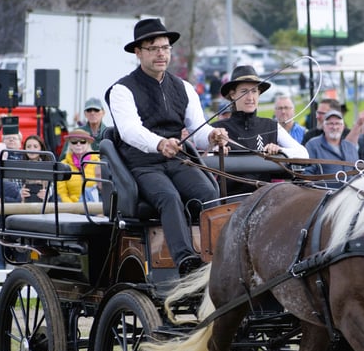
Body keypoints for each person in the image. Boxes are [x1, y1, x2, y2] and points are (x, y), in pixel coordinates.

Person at [105, 18, 228, 276]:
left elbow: (198, 129)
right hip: (141, 165)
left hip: (176, 160)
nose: (161, 53)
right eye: (153, 48)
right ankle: (185, 262)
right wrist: (159, 143)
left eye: (165, 47)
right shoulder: (122, 89)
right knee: (169, 198)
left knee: (209, 194)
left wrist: (214, 135)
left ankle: (221, 257)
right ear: (138, 52)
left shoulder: (183, 88)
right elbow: (129, 131)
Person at [214, 66, 308, 195]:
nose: (250, 97)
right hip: (227, 202)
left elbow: (303, 154)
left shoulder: (271, 126)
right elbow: (200, 157)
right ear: (232, 94)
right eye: (244, 91)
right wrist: (215, 152)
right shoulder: (217, 129)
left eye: (254, 91)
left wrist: (280, 151)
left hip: (262, 201)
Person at [303, 109, 362, 186]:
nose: (334, 127)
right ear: (323, 127)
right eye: (330, 124)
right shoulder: (313, 145)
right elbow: (307, 174)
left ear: (343, 127)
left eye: (338, 123)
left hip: (349, 194)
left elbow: (357, 174)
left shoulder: (351, 147)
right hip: (324, 195)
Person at [56, 129, 100, 203]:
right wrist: (73, 208)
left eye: (83, 141)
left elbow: (103, 189)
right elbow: (61, 193)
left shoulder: (98, 162)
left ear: (88, 144)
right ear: (70, 145)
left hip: (94, 208)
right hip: (71, 210)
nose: (78, 144)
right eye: (74, 142)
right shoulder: (63, 165)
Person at [19, 135, 53, 203]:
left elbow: (54, 186)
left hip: (45, 203)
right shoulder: (19, 166)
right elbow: (14, 186)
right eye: (28, 147)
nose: (32, 149)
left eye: (35, 146)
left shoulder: (49, 166)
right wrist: (19, 192)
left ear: (41, 148)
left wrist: (48, 193)